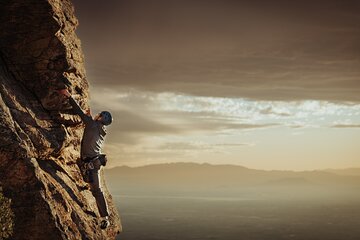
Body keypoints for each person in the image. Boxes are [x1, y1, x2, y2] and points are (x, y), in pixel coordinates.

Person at [59, 89, 112, 229]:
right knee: (91, 182)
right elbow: (91, 128)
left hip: (91, 163)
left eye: (99, 115)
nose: (97, 115)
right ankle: (87, 185)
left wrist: (69, 96)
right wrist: (91, 119)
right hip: (92, 161)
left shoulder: (92, 124)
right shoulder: (100, 129)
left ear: (101, 119)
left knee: (97, 190)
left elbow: (78, 111)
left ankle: (105, 218)